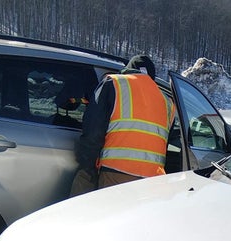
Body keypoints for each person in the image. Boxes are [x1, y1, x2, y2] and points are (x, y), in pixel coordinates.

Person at [70, 54, 174, 196]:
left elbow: (93, 129)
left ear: (128, 70)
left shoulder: (113, 84)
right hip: (152, 183)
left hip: (115, 174)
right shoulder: (167, 101)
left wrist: (87, 167)